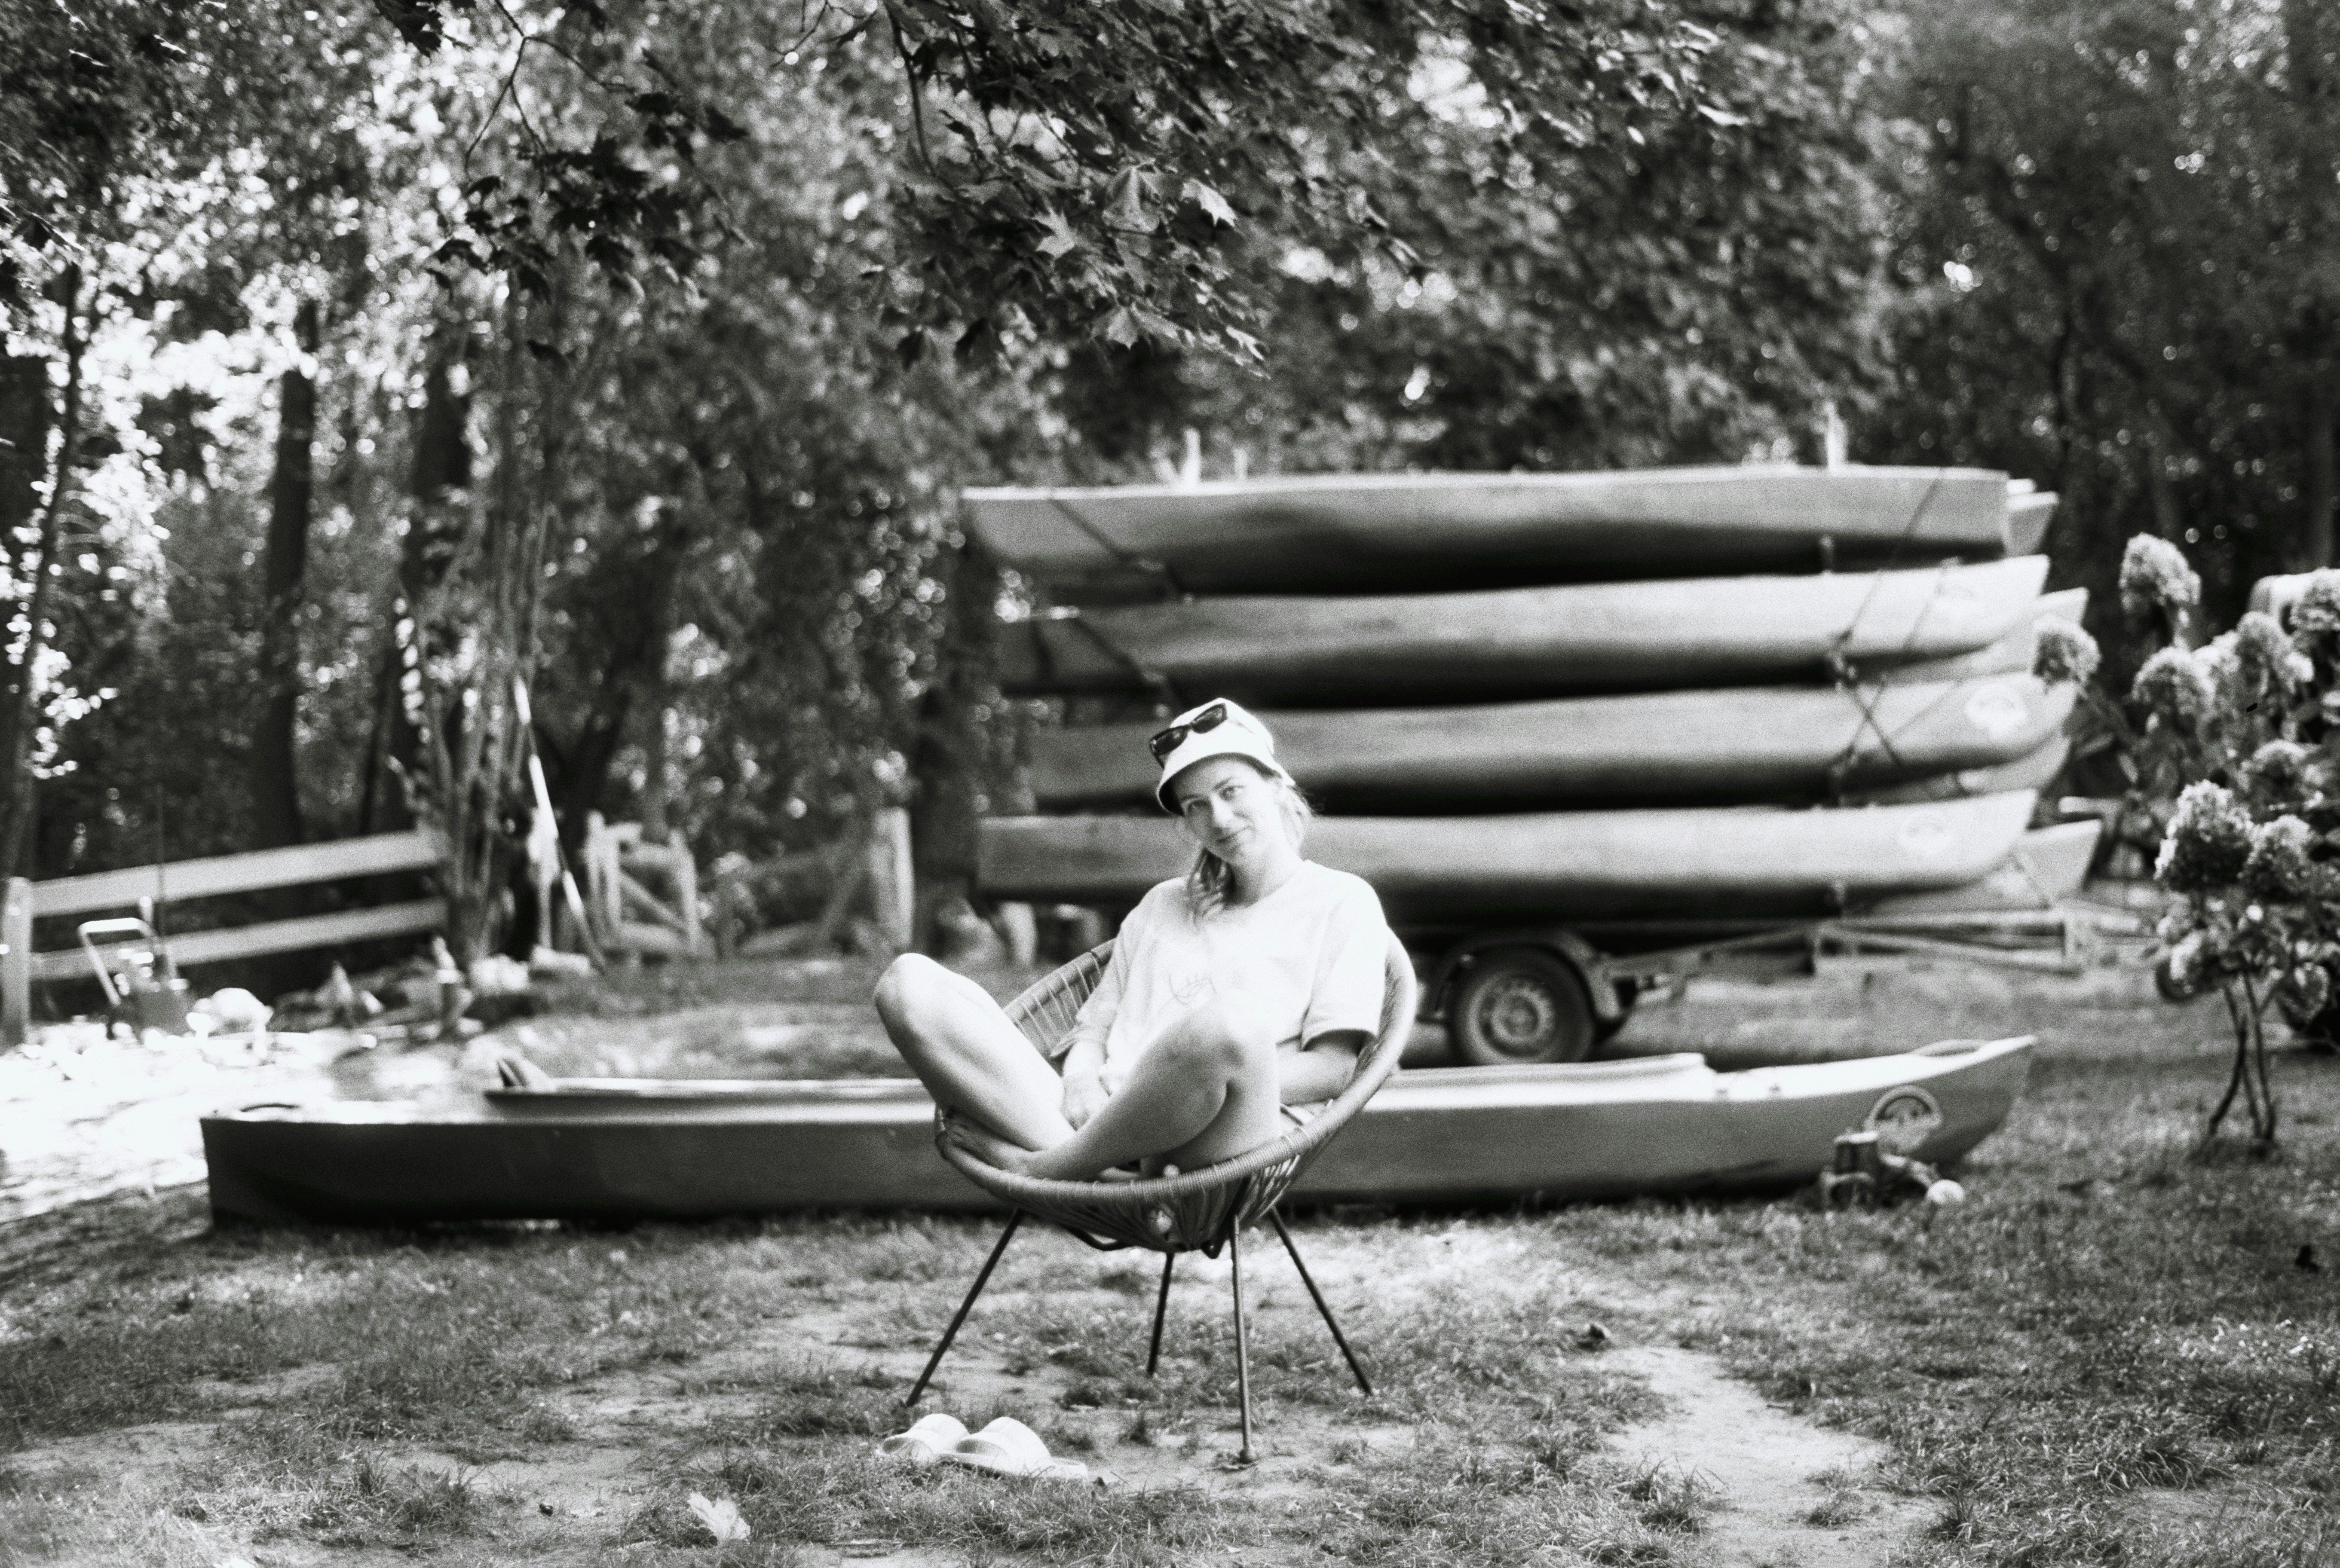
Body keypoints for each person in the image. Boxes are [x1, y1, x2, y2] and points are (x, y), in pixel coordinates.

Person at [874, 698, 1393, 1182]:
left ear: (1275, 784)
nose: (1218, 818)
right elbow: (1093, 1028)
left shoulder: (1341, 901)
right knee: (908, 985)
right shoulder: (1161, 905)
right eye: (1195, 805)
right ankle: (1108, 1177)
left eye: (1231, 790)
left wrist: (1156, 1100)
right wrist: (1079, 1081)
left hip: (1225, 1143)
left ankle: (1049, 1169)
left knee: (1230, 1022)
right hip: (1093, 1122)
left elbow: (1332, 1068)